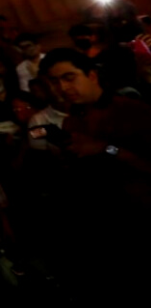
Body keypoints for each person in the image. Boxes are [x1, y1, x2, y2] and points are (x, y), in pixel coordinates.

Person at [38, 48, 151, 303]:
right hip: (103, 225)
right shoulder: (71, 121)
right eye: (55, 82)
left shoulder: (132, 110)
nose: (63, 88)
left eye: (69, 77)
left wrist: (106, 148)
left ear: (91, 75)